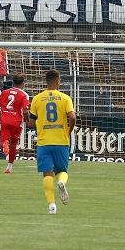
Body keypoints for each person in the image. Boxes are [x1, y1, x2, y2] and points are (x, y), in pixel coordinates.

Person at [27, 69, 75, 215]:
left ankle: (52, 206)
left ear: (46, 81)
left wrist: (39, 125)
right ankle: (62, 183)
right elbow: (72, 117)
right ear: (57, 81)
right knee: (62, 171)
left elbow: (31, 123)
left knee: (47, 174)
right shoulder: (65, 98)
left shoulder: (37, 98)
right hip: (61, 141)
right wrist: (69, 131)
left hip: (44, 142)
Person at [0, 76, 30, 174]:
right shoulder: (24, 95)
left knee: (3, 141)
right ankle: (9, 167)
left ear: (13, 83)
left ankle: (5, 146)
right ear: (23, 83)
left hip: (5, 120)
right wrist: (27, 120)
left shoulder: (4, 92)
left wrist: (1, 115)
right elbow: (25, 110)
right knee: (14, 145)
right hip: (17, 122)